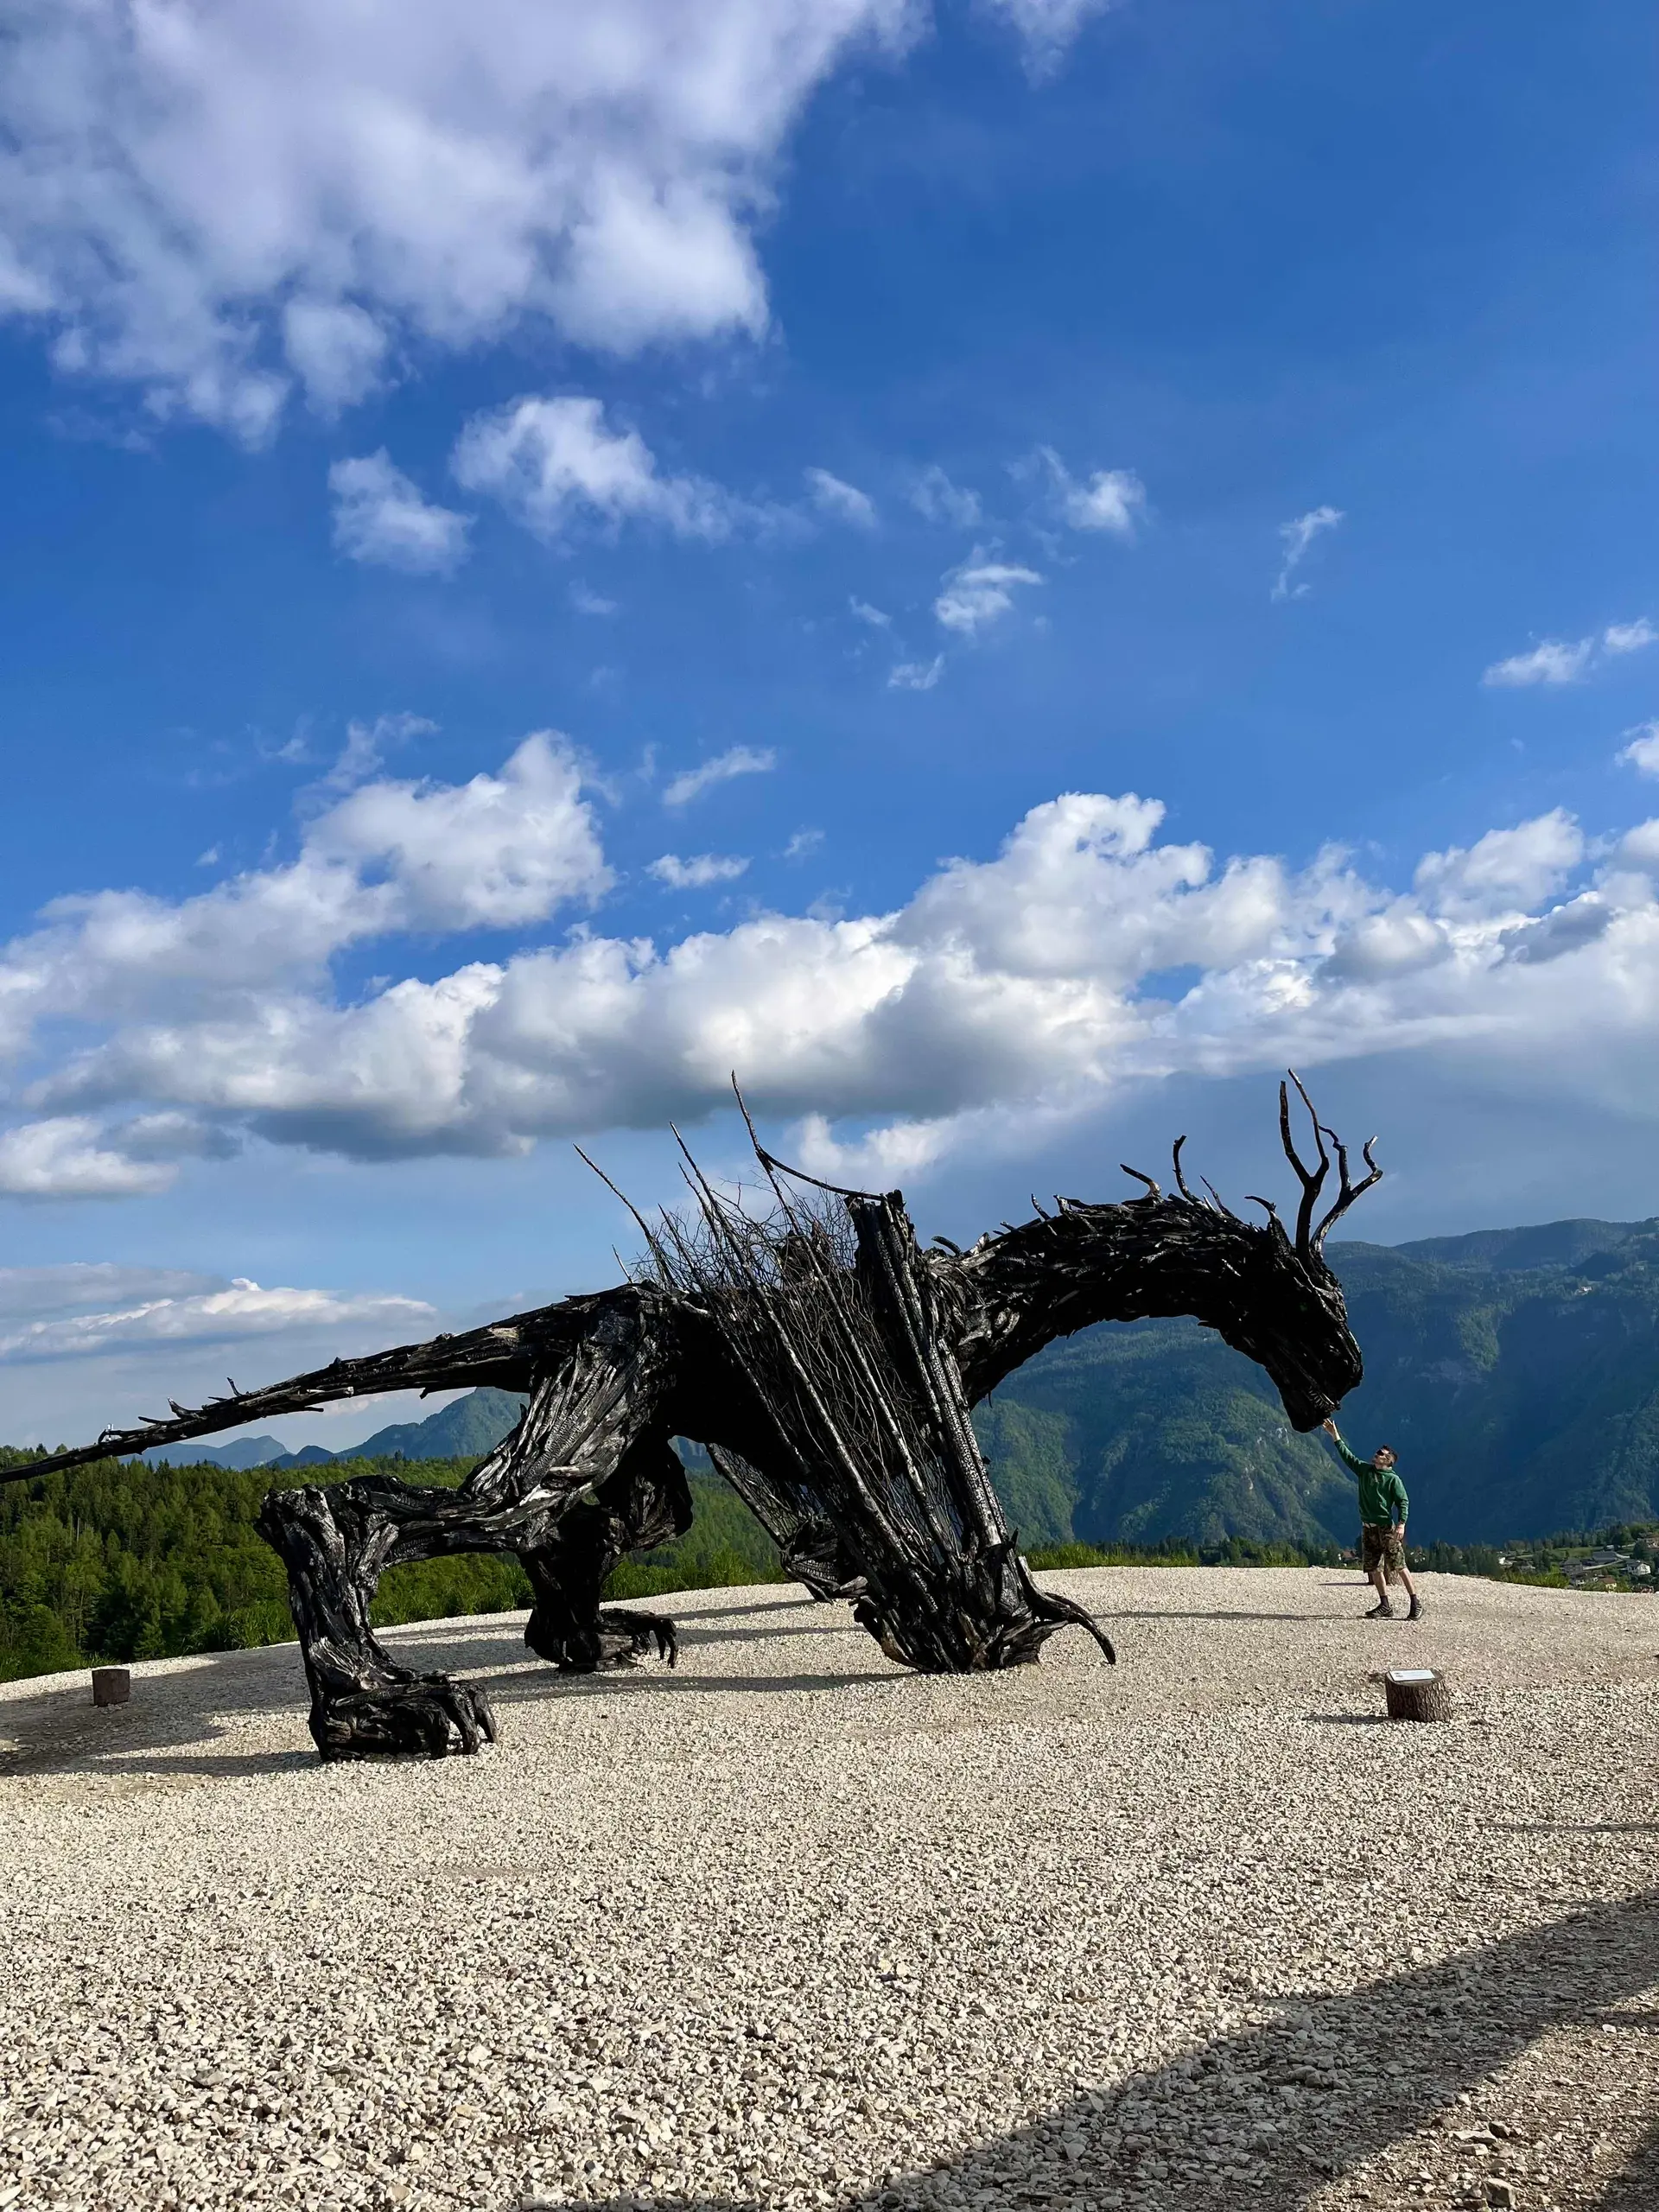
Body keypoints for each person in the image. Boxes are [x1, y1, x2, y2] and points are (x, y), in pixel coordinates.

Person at [1321, 1418, 1423, 1622]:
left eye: (1381, 1454)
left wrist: (1401, 1524)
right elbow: (1347, 1456)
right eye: (1378, 1452)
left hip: (1386, 1529)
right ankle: (1385, 1605)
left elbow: (1403, 1502)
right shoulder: (1365, 1470)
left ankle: (1415, 1602)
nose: (1377, 1454)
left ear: (1389, 1461)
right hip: (1368, 1528)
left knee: (1399, 1565)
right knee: (1375, 1567)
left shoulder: (1393, 1480)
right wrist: (1335, 1435)